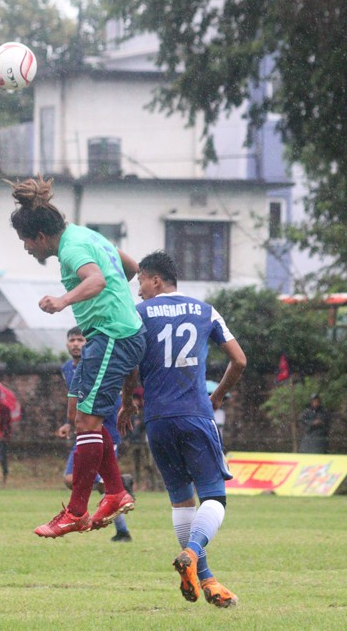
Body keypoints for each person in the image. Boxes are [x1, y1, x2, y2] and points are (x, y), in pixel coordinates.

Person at [7, 175, 146, 538]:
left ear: (40, 236)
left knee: (85, 422)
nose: (25, 249)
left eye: (25, 241)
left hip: (111, 335)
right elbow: (130, 268)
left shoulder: (70, 250)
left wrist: (64, 300)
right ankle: (115, 492)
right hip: (116, 332)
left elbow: (97, 280)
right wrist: (117, 300)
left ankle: (76, 511)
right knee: (90, 422)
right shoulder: (88, 235)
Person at [122, 250, 247, 608]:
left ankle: (206, 580)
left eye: (142, 281)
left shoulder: (139, 314)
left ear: (156, 280)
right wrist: (218, 396)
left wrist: (129, 401)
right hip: (195, 413)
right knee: (214, 497)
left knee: (181, 501)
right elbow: (239, 360)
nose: (140, 290)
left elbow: (130, 364)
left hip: (157, 420)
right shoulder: (205, 310)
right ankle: (192, 553)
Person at [57, 326, 134, 541]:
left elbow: (109, 396)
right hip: (84, 429)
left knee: (106, 486)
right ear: (66, 344)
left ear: (88, 343)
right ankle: (119, 485)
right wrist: (69, 423)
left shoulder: (99, 363)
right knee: (71, 479)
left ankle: (122, 530)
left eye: (80, 340)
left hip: (105, 429)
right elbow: (76, 398)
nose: (76, 344)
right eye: (72, 340)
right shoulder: (67, 368)